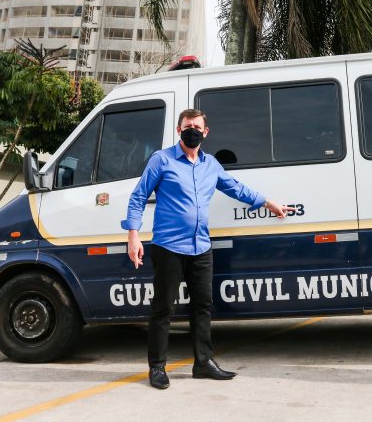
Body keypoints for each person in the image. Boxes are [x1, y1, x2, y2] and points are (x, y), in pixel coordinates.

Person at [122, 108, 294, 390]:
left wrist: (267, 202)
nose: (192, 130)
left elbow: (236, 188)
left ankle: (203, 363)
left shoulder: (211, 165)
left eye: (197, 126)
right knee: (163, 308)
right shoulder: (161, 160)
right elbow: (138, 196)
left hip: (201, 247)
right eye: (187, 126)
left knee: (203, 306)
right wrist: (133, 235)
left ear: (205, 132)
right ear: (179, 130)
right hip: (169, 247)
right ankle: (157, 367)